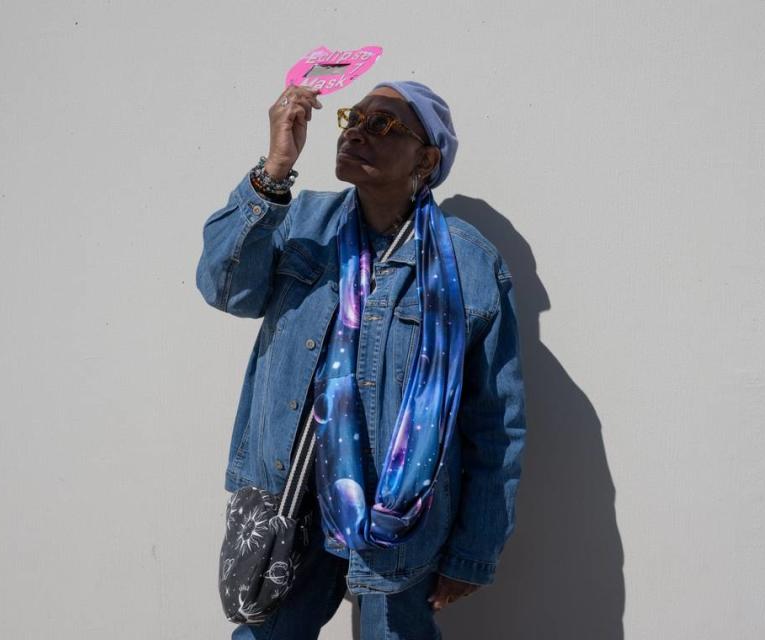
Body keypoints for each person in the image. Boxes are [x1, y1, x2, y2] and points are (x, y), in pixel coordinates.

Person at [195, 79, 528, 639]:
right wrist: (274, 170)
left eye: (384, 125)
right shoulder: (303, 223)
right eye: (354, 117)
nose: (356, 131)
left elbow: (494, 423)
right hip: (290, 501)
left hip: (398, 519)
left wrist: (475, 547)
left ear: (426, 159)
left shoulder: (468, 265)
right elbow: (226, 289)